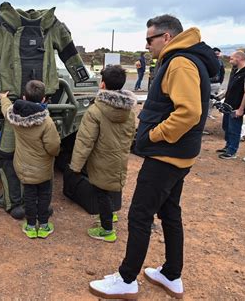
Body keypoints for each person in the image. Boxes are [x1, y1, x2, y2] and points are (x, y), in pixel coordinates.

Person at [89, 15, 219, 299]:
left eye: (150, 39)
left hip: (166, 155)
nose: (146, 45)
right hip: (179, 155)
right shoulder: (181, 59)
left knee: (139, 215)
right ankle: (171, 274)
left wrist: (152, 136)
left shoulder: (180, 62)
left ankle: (126, 279)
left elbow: (189, 112)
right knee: (170, 212)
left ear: (167, 37)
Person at [0, 2, 89, 219]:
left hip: (14, 103)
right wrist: (81, 77)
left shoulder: (3, 25)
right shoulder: (52, 25)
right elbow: (69, 52)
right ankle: (43, 206)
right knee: (45, 155)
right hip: (46, 106)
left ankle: (14, 203)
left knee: (7, 156)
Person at [69, 65, 136, 243]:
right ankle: (111, 215)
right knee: (112, 185)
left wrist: (75, 166)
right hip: (118, 157)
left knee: (101, 192)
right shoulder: (128, 110)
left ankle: (107, 230)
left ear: (103, 84)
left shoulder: (95, 111)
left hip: (101, 159)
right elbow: (130, 134)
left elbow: (85, 141)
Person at [0, 80, 60, 238]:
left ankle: (31, 226)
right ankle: (44, 225)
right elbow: (53, 147)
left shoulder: (15, 117)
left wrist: (3, 98)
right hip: (44, 169)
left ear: (24, 97)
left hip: (24, 168)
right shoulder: (47, 122)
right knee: (44, 195)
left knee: (29, 196)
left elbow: (6, 110)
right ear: (43, 100)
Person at [216, 51, 245, 159]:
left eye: (231, 59)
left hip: (236, 107)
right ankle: (228, 146)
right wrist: (220, 98)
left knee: (234, 129)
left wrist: (241, 109)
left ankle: (232, 151)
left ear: (239, 58)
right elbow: (229, 88)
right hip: (228, 105)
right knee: (226, 127)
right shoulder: (235, 71)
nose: (230, 61)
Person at [208, 47, 226, 118]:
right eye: (216, 54)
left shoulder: (220, 62)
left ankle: (208, 114)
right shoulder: (208, 61)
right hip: (208, 83)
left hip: (216, 83)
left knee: (212, 100)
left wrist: (220, 82)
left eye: (218, 54)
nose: (217, 55)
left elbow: (222, 72)